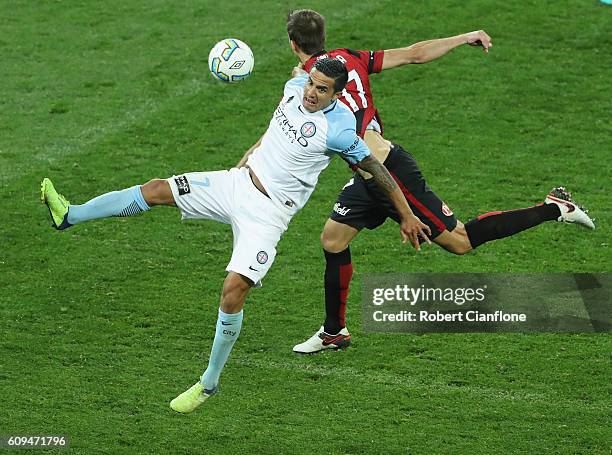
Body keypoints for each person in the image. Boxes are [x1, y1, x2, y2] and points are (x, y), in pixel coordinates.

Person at [41, 58, 432, 413]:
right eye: (312, 84)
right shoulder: (296, 87)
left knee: (233, 290)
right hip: (236, 183)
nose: (312, 93)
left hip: (268, 214)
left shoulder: (340, 130)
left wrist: (407, 215)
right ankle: (70, 215)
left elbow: (378, 173)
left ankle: (209, 382)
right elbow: (291, 90)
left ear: (337, 93)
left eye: (322, 89)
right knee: (157, 188)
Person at [285, 10, 595, 354]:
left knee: (460, 242)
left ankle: (553, 209)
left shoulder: (308, 84)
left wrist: (299, 81)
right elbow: (415, 53)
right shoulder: (349, 59)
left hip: (388, 171)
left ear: (292, 43)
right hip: (366, 176)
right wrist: (463, 37)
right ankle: (334, 332)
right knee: (333, 240)